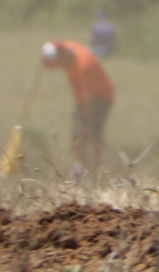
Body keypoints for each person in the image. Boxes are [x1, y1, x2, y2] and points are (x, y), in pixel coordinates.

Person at [42, 36, 115, 177]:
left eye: (57, 64)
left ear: (62, 57)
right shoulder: (67, 48)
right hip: (83, 99)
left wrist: (86, 121)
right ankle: (80, 169)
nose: (57, 67)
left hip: (100, 97)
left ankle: (99, 171)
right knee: (77, 136)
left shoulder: (83, 66)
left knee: (92, 133)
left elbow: (90, 98)